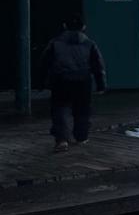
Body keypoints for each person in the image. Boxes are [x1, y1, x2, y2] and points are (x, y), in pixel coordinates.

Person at [39, 14, 106, 152]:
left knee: (60, 110)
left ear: (64, 26)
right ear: (84, 27)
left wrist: (41, 82)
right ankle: (81, 136)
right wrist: (101, 84)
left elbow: (44, 63)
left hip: (60, 81)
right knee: (82, 110)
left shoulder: (55, 43)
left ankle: (62, 140)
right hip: (83, 82)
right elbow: (98, 65)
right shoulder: (89, 44)